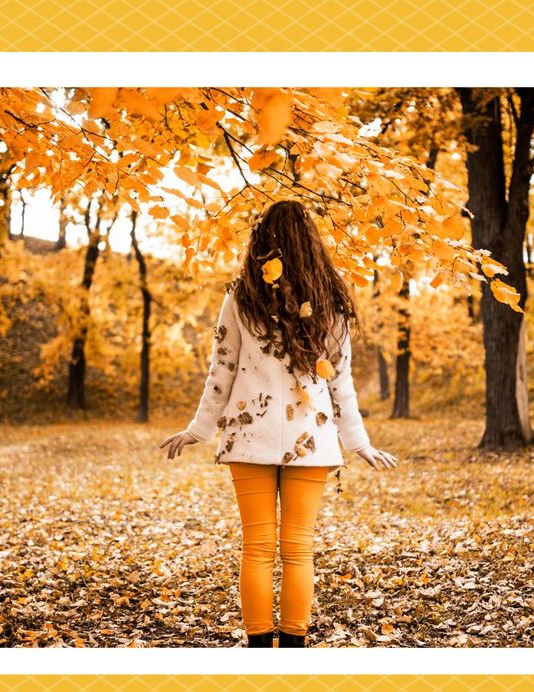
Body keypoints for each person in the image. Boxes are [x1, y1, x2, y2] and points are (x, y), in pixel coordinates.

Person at [159, 199, 398, 648]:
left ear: (262, 241)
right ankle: (291, 653)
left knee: (257, 548)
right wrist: (358, 443)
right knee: (298, 548)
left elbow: (221, 370)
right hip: (313, 441)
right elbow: (340, 383)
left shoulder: (241, 295)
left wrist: (200, 428)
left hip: (250, 437)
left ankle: (258, 652)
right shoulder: (332, 298)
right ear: (311, 244)